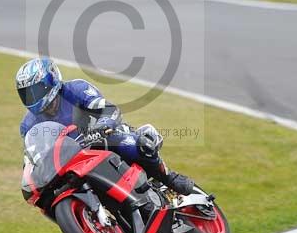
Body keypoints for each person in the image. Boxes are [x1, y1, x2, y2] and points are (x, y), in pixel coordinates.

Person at [15, 57, 195, 195]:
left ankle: (168, 177)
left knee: (139, 145)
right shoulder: (28, 123)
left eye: (37, 90)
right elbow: (33, 156)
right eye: (27, 94)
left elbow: (107, 109)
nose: (33, 98)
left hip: (102, 138)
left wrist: (103, 125)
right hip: (69, 161)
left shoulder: (75, 89)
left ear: (51, 80)